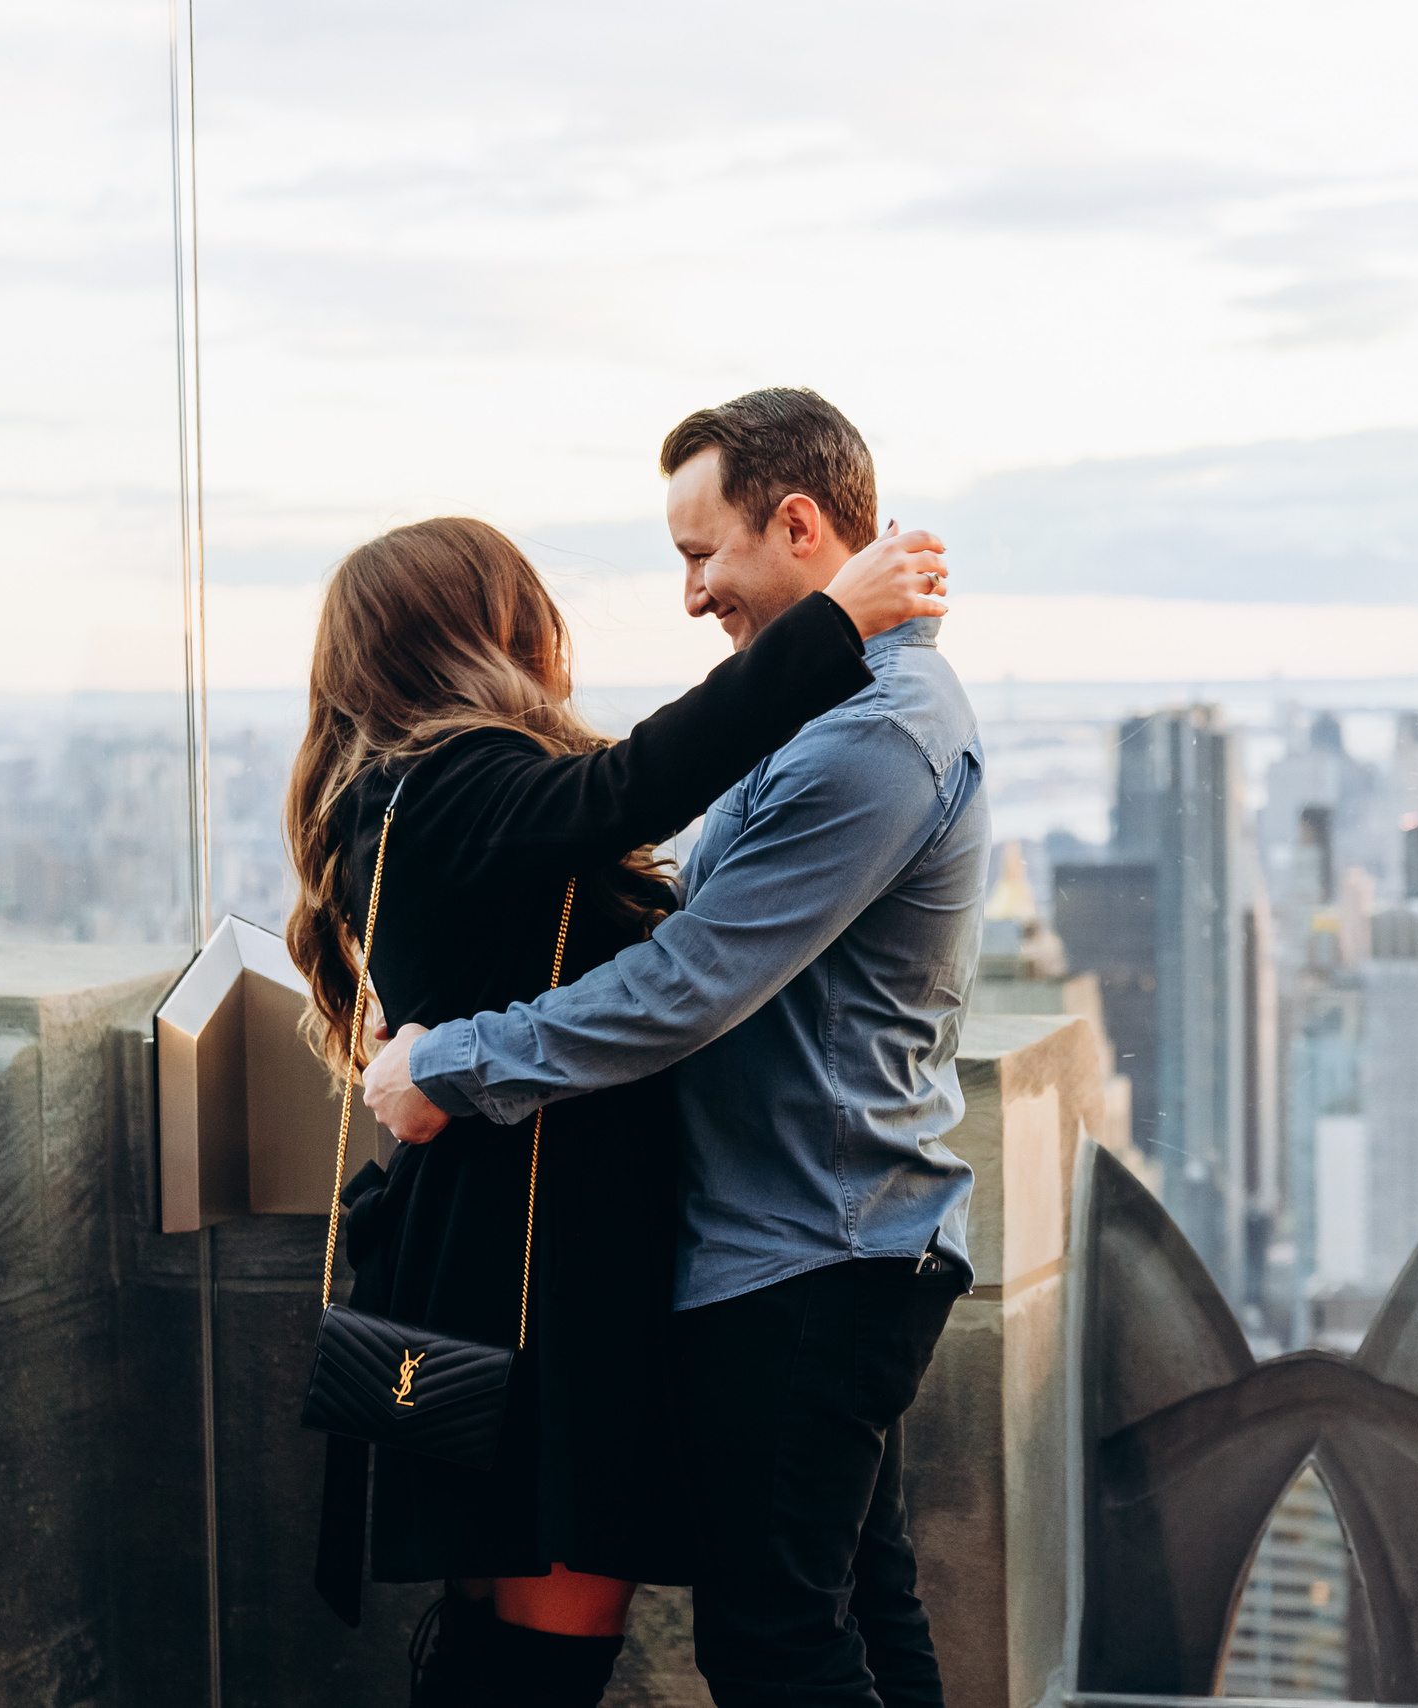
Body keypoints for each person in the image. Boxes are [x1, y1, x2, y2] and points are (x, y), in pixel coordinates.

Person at [363, 387, 990, 1708]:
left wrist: (448, 1061)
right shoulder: (839, 721)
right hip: (812, 1241)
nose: (693, 595)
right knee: (854, 1614)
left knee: (776, 1643)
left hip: (809, 1256)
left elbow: (687, 985)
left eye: (703, 555)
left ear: (800, 525)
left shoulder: (870, 736)